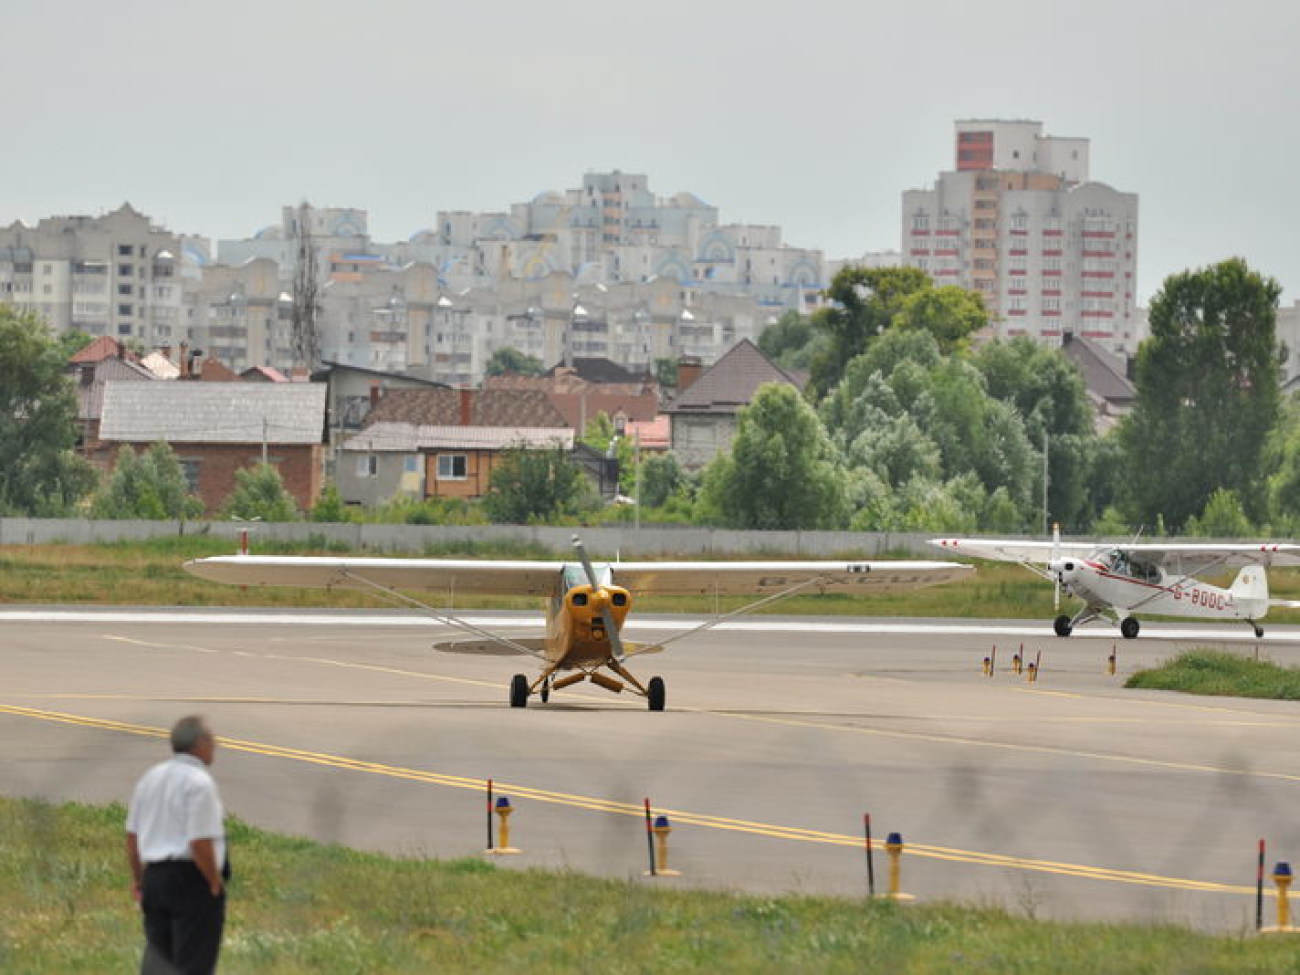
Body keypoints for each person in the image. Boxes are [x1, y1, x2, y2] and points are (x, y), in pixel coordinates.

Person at [126, 715, 229, 974]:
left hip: (155, 879)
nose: (215, 746)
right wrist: (213, 882)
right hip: (191, 880)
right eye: (212, 740)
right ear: (200, 743)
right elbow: (199, 843)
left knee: (159, 961)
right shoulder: (199, 783)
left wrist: (139, 879)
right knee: (194, 961)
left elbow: (132, 837)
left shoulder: (150, 777)